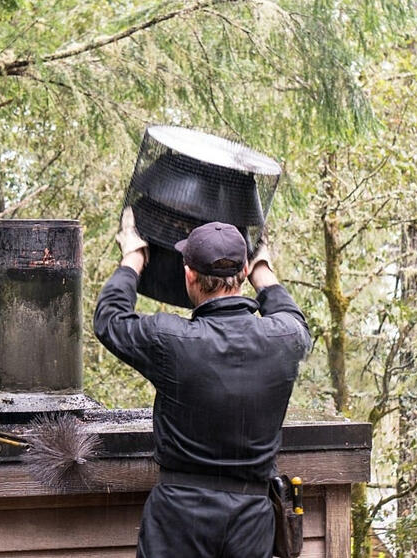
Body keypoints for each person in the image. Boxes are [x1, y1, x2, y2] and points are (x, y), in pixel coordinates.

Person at [93, 208, 311, 558]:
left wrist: (133, 258)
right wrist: (263, 271)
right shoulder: (285, 339)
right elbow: (294, 318)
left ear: (189, 275)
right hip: (252, 521)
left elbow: (109, 319)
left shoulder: (169, 340)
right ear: (242, 273)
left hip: (178, 520)